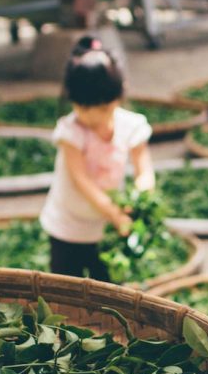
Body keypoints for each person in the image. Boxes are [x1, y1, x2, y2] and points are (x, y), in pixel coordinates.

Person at [39, 36, 155, 280]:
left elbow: (144, 170)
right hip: (68, 227)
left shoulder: (131, 127)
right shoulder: (70, 132)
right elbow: (81, 180)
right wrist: (114, 213)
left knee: (108, 291)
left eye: (102, 109)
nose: (91, 118)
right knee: (65, 291)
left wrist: (139, 197)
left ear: (118, 97)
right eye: (82, 108)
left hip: (106, 229)